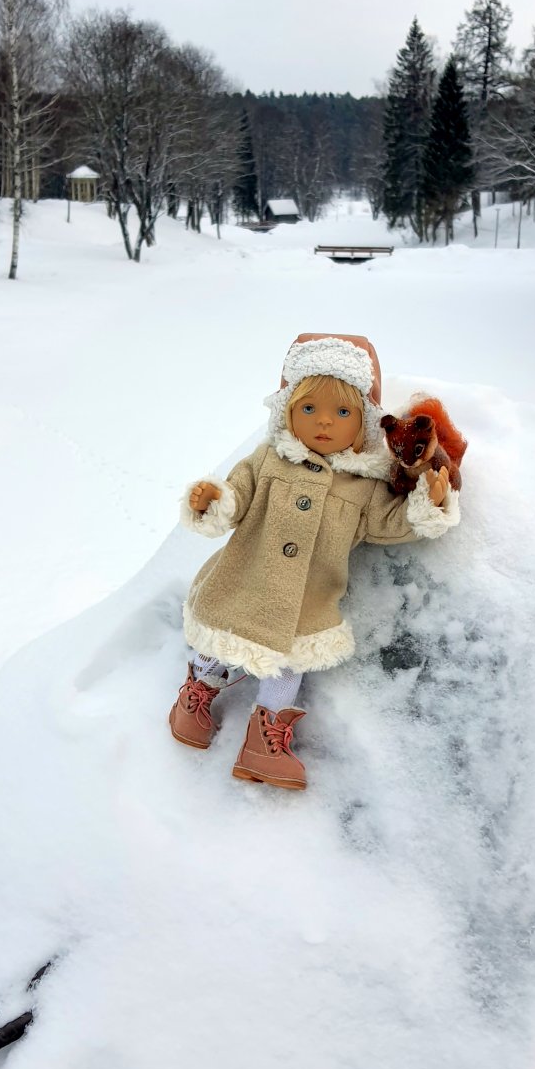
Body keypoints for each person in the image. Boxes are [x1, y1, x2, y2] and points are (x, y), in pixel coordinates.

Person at [170, 333, 461, 791]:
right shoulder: (267, 460)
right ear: (287, 412)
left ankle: (265, 740)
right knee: (218, 643)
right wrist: (214, 500)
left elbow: (389, 523)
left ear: (362, 422)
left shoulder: (362, 485)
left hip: (307, 600)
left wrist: (429, 503)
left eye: (342, 412)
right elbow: (237, 496)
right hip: (243, 581)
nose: (324, 422)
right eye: (309, 409)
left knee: (289, 667)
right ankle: (196, 694)